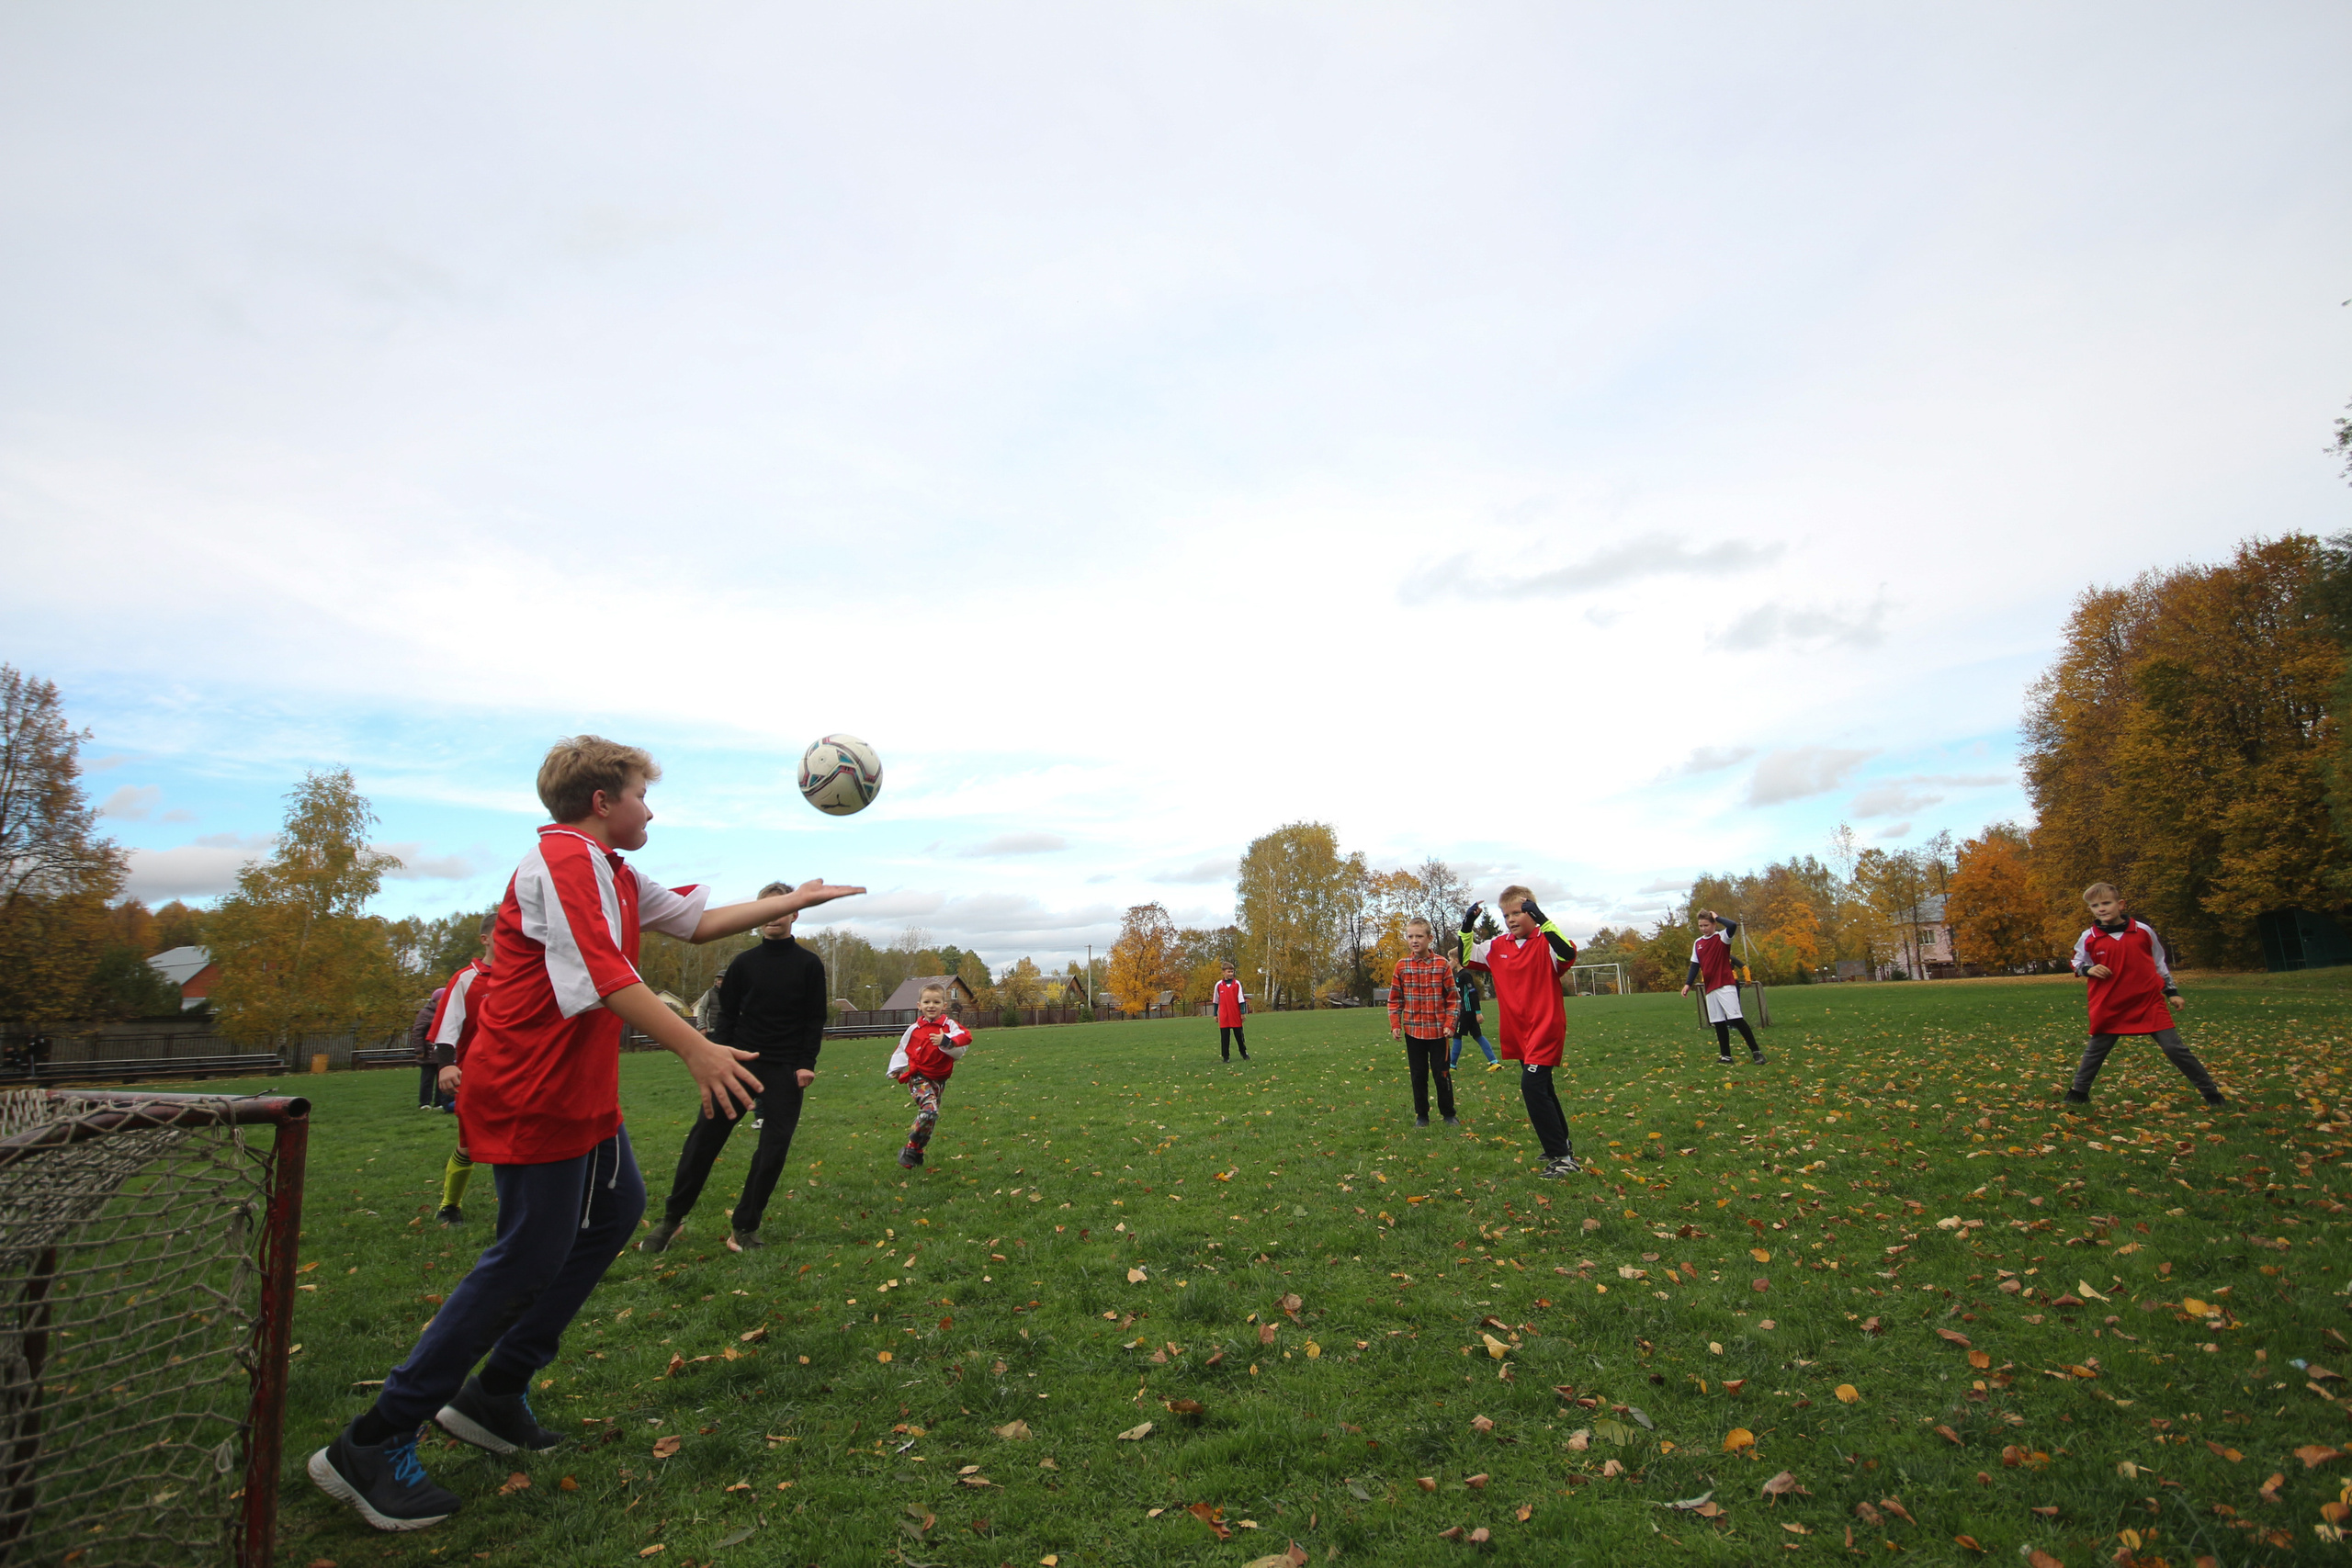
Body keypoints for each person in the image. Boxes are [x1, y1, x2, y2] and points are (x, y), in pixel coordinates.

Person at [307, 735, 863, 1532]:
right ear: (602, 801)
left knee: (613, 1211)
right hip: (531, 1089)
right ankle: (374, 1438)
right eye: (642, 793)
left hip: (579, 1090)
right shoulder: (564, 860)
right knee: (527, 1254)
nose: (650, 807)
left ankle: (495, 1392)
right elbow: (607, 979)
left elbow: (698, 922)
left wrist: (791, 901)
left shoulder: (615, 869)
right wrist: (697, 1047)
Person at [641, 881, 830, 1255]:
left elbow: (814, 1019)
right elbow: (726, 1016)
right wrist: (719, 1055)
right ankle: (672, 1220)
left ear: (794, 914)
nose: (773, 916)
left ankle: (744, 1227)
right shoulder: (743, 964)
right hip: (737, 1064)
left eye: (781, 908)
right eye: (765, 908)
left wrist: (805, 1064)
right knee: (702, 1142)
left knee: (773, 1150)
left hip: (784, 1069)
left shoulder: (809, 965)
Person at [2064, 883, 2225, 1107]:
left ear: (2120, 904)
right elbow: (2077, 961)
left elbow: (2159, 963)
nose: (2101, 909)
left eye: (2106, 903)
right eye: (2094, 905)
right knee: (2096, 1050)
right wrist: (2087, 969)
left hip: (2148, 1001)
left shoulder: (2143, 931)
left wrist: (2172, 992)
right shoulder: (2089, 936)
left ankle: (2212, 1094)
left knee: (2174, 1048)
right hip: (2110, 1003)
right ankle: (2078, 1093)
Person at [1459, 886, 1580, 1179]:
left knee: (1533, 1086)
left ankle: (1563, 1159)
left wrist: (1543, 920)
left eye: (1518, 912)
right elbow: (1465, 959)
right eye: (1506, 915)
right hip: (1518, 1030)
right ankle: (1560, 1146)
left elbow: (1568, 951)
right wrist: (1466, 927)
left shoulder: (1547, 943)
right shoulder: (1497, 946)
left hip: (1546, 1026)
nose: (1511, 919)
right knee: (1544, 1087)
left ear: (1531, 911)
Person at [425, 914, 498, 1224]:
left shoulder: (527, 975)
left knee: (522, 1142)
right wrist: (446, 1065)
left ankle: (525, 1207)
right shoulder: (466, 978)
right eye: (503, 931)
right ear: (485, 939)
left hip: (522, 1073)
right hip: (475, 1076)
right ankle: (449, 1206)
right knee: (470, 1146)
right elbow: (447, 1025)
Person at [888, 984, 971, 1168]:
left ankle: (916, 1151)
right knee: (929, 1110)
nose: (931, 1005)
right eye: (927, 1002)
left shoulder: (948, 1025)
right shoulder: (914, 1029)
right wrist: (896, 1068)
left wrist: (947, 1041)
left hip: (939, 1077)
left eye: (936, 1001)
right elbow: (902, 1048)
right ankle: (910, 1148)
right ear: (919, 1005)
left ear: (944, 1005)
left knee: (931, 1117)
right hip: (918, 1076)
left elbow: (966, 1037)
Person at [1387, 918, 1460, 1127]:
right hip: (1413, 1031)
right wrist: (1395, 1024)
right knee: (1418, 1075)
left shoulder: (1441, 965)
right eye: (1410, 936)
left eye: (1419, 936)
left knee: (1441, 1073)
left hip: (1438, 1031)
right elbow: (1394, 999)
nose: (1414, 940)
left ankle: (1448, 1113)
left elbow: (1453, 999)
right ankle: (1422, 1115)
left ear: (1429, 938)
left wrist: (1450, 1023)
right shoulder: (1402, 966)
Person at [1681, 909, 1765, 1066]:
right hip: (1711, 987)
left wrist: (1717, 917)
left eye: (1706, 925)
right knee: (1718, 1022)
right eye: (1700, 926)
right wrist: (1688, 984)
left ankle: (1757, 1053)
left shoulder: (1722, 938)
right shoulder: (1698, 943)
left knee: (1736, 1019)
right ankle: (1726, 1056)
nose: (1703, 928)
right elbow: (1694, 965)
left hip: (1726, 984)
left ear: (1713, 924)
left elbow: (1733, 925)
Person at [1448, 954, 1498, 1070]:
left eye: (1450, 959)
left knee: (1457, 1035)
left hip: (1467, 1011)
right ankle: (1494, 1062)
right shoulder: (1457, 975)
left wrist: (1478, 1012)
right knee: (1477, 1035)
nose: (1449, 962)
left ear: (1457, 960)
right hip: (1464, 1010)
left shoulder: (1465, 975)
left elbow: (1473, 993)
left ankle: (1452, 1065)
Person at [409, 986, 446, 1110]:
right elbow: (417, 1032)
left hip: (442, 1051)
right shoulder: (425, 1013)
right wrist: (419, 1050)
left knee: (442, 1078)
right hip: (428, 1052)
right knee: (427, 1079)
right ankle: (425, 1103)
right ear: (436, 1000)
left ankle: (439, 1102)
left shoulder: (447, 1011)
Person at [1213, 962, 1250, 1062]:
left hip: (1235, 1014)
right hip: (1224, 1015)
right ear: (1223, 972)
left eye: (1232, 971)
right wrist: (1215, 1014)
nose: (1230, 974)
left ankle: (1244, 1053)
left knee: (1239, 1036)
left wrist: (1242, 1013)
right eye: (1228, 972)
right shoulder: (1219, 985)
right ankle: (1226, 1057)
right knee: (1225, 1037)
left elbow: (1241, 1000)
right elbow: (1216, 1001)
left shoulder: (1237, 984)